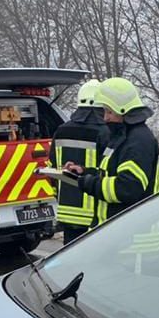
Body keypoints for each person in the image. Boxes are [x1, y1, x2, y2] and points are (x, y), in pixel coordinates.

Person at [64, 77, 159, 224]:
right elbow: (111, 174)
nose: (105, 118)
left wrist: (89, 183)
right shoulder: (123, 136)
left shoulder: (138, 141)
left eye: (109, 112)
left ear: (123, 110)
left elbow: (127, 188)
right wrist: (84, 172)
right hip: (119, 232)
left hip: (133, 237)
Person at [51, 79, 109, 244]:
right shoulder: (105, 132)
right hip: (94, 211)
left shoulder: (61, 130)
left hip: (67, 210)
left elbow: (52, 168)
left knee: (70, 260)